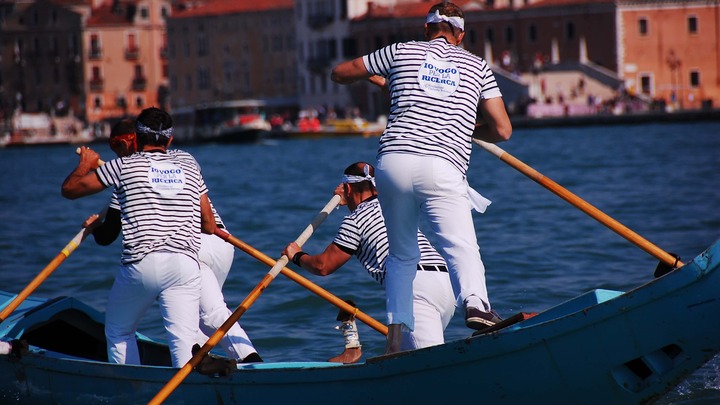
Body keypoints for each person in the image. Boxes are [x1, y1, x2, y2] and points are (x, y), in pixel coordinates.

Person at [330, 2, 512, 353]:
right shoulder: (477, 66)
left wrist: (383, 78)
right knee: (460, 246)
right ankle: (475, 304)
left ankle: (396, 336)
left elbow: (341, 72)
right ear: (460, 35)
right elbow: (503, 129)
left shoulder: (400, 52)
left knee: (401, 256)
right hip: (443, 165)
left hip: (393, 164)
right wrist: (468, 125)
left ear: (427, 29)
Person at [84, 118, 262, 364]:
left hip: (186, 244)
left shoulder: (128, 171)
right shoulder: (181, 159)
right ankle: (248, 359)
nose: (116, 153)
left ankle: (193, 368)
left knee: (200, 315)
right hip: (220, 243)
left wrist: (94, 228)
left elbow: (107, 236)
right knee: (208, 313)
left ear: (133, 140)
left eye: (118, 145)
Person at [62, 107, 215, 367]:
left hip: (142, 264)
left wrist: (85, 166)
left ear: (137, 138)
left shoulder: (122, 165)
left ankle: (129, 390)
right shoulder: (189, 162)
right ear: (169, 140)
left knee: (119, 331)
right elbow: (209, 225)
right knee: (184, 345)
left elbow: (70, 190)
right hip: (186, 265)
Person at [282, 162, 456, 353]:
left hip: (414, 288)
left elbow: (323, 266)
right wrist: (349, 198)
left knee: (427, 363)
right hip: (446, 283)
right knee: (397, 355)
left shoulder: (355, 220)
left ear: (348, 188)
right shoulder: (393, 206)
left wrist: (297, 255)